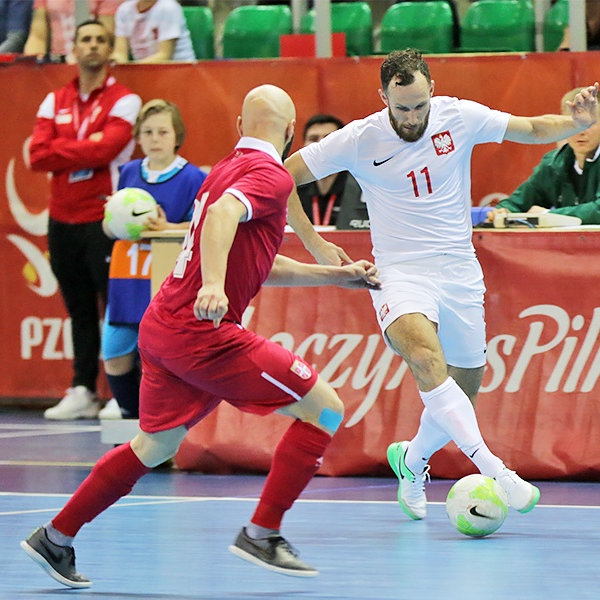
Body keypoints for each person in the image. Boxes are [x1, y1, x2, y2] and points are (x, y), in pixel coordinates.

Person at [20, 84, 381, 587]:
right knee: (325, 409)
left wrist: (336, 275)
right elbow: (220, 218)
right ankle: (262, 533)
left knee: (154, 445)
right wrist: (213, 285)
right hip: (202, 333)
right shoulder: (268, 175)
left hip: (163, 328)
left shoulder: (221, 171)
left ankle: (55, 538)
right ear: (292, 133)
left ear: (238, 127)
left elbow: (256, 261)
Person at [284, 48, 600, 521]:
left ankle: (411, 461)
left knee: (463, 387)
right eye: (400, 107)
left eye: (418, 105)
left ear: (432, 89)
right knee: (425, 356)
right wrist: (314, 244)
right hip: (399, 271)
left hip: (458, 269)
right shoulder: (359, 138)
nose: (410, 117)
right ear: (383, 98)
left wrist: (576, 124)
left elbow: (532, 129)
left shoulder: (460, 116)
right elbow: (283, 175)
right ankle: (497, 471)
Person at [29, 19, 141, 419]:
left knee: (117, 306)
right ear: (74, 48)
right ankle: (81, 388)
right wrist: (86, 146)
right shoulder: (53, 100)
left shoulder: (126, 100)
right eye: (85, 39)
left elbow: (107, 150)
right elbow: (36, 156)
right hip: (62, 219)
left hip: (104, 216)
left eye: (100, 40)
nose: (92, 46)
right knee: (78, 308)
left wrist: (68, 148)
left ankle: (121, 392)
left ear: (110, 50)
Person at [98, 99, 206, 420]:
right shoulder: (129, 172)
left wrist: (167, 228)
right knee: (115, 353)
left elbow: (205, 226)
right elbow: (110, 223)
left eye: (162, 131)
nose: (155, 138)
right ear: (138, 138)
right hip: (126, 277)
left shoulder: (193, 178)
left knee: (158, 359)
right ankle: (131, 418)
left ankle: (159, 427)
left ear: (177, 136)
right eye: (147, 132)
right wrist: (112, 225)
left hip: (165, 279)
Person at [485, 87, 600, 225]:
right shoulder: (554, 162)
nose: (582, 131)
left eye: (590, 124)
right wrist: (502, 211)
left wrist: (548, 215)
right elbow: (518, 202)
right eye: (576, 123)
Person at [296, 114, 368, 230]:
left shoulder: (361, 185)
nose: (320, 146)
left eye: (328, 139)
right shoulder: (294, 186)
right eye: (313, 139)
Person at [24, 0, 121, 62]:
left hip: (91, 62)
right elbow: (38, 37)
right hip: (57, 63)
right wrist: (31, 66)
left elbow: (106, 36)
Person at [111, 0, 195, 63]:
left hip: (177, 70)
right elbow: (120, 52)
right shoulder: (124, 9)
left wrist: (132, 70)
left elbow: (164, 56)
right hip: (142, 71)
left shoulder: (168, 8)